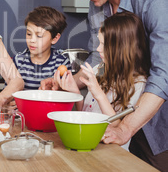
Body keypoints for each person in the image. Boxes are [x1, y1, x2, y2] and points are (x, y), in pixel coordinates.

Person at [43, 0, 168, 172]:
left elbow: (163, 74)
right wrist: (68, 81)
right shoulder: (98, 3)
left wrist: (126, 128)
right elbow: (96, 58)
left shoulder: (154, 0)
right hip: (120, 117)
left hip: (157, 122)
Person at [55, 12, 150, 149]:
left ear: (121, 48)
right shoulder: (100, 68)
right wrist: (75, 92)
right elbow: (86, 114)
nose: (98, 49)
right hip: (89, 143)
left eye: (103, 44)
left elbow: (118, 126)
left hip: (110, 151)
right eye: (99, 42)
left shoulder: (137, 84)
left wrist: (98, 93)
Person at [14, 6, 71, 90]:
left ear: (55, 38)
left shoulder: (62, 63)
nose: (32, 40)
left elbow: (65, 96)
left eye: (39, 36)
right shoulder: (18, 61)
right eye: (29, 34)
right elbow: (9, 95)